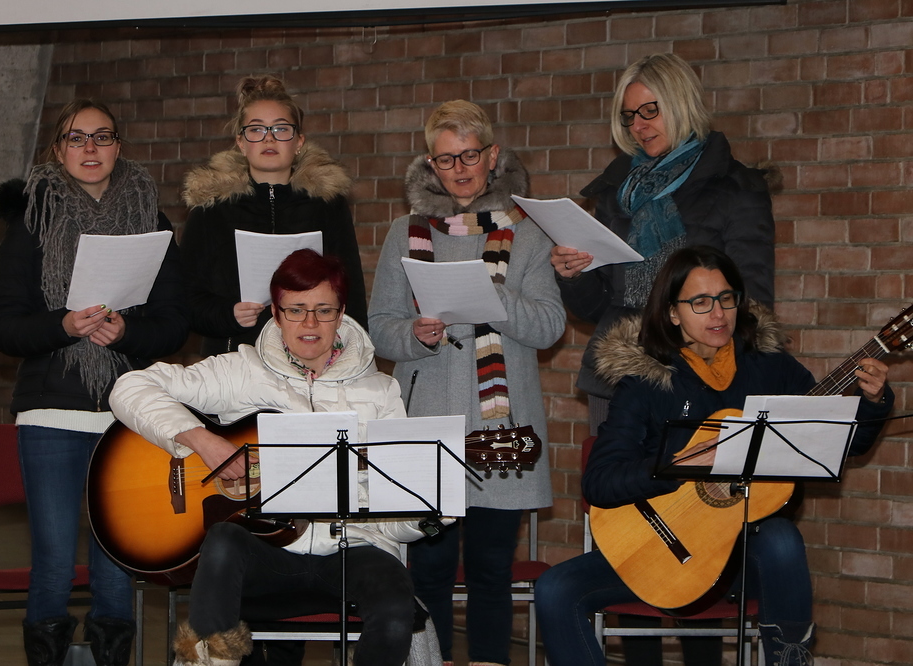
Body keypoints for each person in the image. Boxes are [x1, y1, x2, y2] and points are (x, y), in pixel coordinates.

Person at [535, 246, 893, 666]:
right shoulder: (646, 381)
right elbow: (599, 482)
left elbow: (838, 443)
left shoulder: (771, 368)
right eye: (701, 302)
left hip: (742, 559)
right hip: (659, 547)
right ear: (673, 313)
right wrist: (674, 466)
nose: (718, 313)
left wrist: (873, 403)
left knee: (781, 538)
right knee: (554, 588)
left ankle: (789, 658)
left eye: (726, 298)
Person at [109, 249, 443, 666]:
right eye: (296, 310)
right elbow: (130, 387)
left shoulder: (381, 392)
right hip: (264, 557)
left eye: (323, 310)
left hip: (353, 550)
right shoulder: (241, 372)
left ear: (341, 314)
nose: (309, 323)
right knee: (223, 540)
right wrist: (201, 440)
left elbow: (394, 520)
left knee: (396, 606)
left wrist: (427, 512)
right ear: (276, 313)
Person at [550, 52, 777, 663]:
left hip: (702, 378)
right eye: (630, 116)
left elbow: (753, 296)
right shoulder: (615, 191)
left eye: (651, 110)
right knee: (631, 528)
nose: (640, 125)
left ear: (681, 104)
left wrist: (709, 359)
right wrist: (573, 273)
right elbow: (596, 305)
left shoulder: (734, 186)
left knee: (698, 522)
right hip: (620, 372)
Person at [0, 99, 189, 666]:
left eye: (102, 137)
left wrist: (126, 332)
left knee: (115, 560)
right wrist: (64, 325)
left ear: (118, 146)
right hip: (51, 411)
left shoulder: (151, 219)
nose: (91, 148)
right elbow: (5, 328)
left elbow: (175, 323)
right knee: (54, 559)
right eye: (77, 138)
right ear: (59, 149)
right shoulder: (31, 219)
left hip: (127, 413)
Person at [368, 100, 565, 666]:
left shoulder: (529, 233)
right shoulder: (404, 232)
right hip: (426, 416)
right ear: (430, 163)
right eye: (446, 159)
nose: (459, 169)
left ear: (492, 155)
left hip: (502, 424)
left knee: (490, 569)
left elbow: (551, 327)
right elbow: (380, 327)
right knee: (428, 568)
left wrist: (492, 296)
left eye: (470, 156)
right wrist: (416, 333)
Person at [181, 75, 367, 358]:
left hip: (312, 360)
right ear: (241, 142)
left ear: (299, 141)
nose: (269, 138)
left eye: (281, 129)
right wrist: (228, 314)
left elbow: (351, 294)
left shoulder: (327, 205)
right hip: (233, 359)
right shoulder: (211, 209)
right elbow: (186, 298)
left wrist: (352, 356)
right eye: (256, 129)